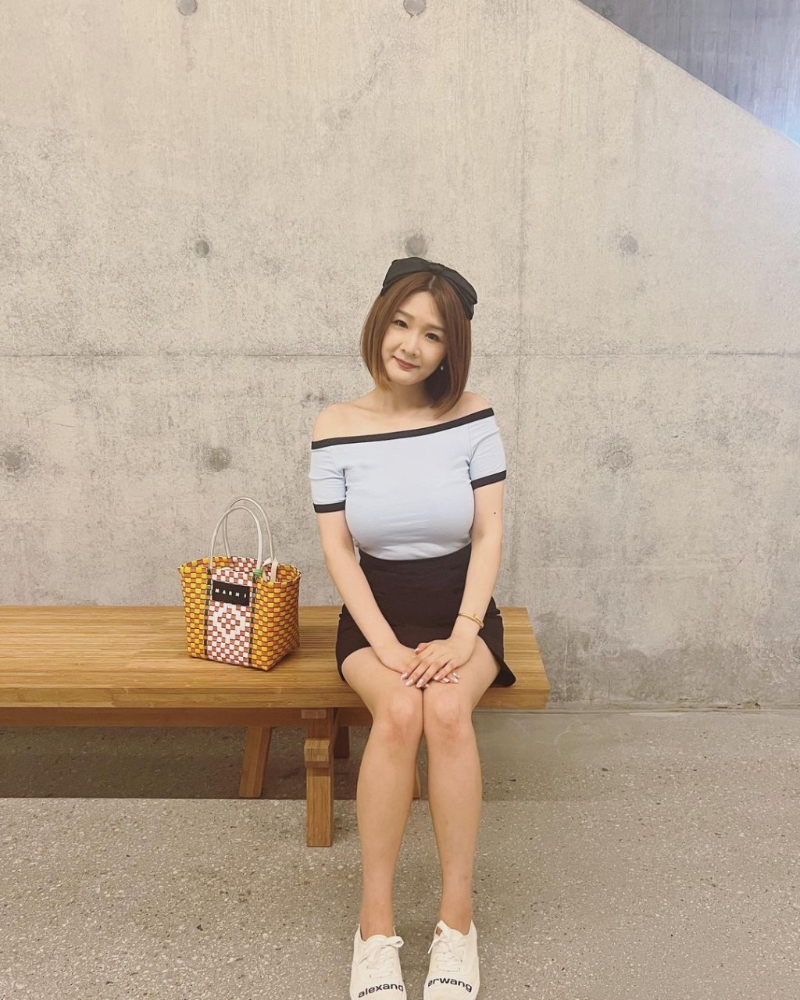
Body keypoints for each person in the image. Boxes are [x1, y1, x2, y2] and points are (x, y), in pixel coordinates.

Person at [308, 256, 516, 1000]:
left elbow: (488, 533)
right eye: (401, 323)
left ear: (450, 348)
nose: (411, 345)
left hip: (463, 608)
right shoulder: (336, 425)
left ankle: (457, 922)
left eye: (433, 334)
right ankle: (374, 928)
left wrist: (463, 634)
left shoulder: (473, 415)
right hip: (375, 615)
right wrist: (388, 646)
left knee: (448, 711)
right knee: (399, 711)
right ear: (379, 321)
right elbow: (339, 549)